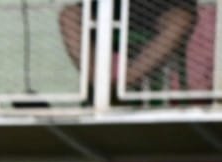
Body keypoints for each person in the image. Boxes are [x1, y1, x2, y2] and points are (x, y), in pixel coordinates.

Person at [59, 0, 196, 93]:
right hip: (112, 7)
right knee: (69, 15)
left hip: (161, 6)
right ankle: (98, 83)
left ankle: (123, 84)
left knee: (181, 20)